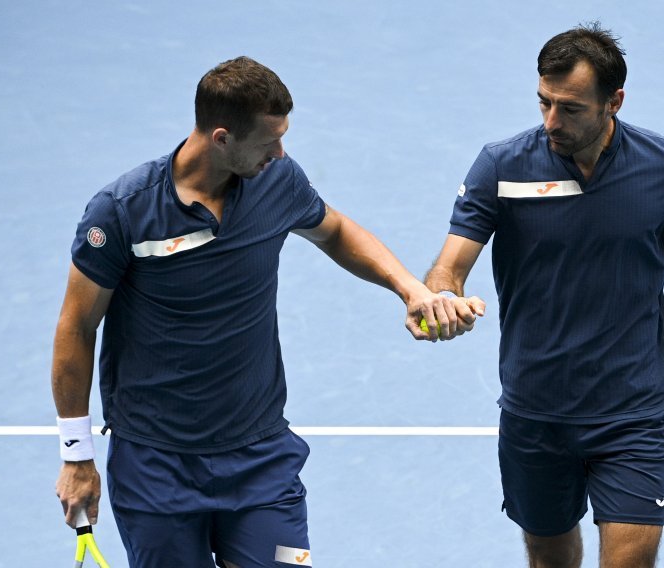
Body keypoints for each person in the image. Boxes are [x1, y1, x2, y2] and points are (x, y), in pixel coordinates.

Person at [52, 56, 476, 568]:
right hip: (156, 464)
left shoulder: (277, 181)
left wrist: (409, 288)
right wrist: (76, 454)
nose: (281, 153)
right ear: (222, 138)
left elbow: (335, 229)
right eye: (269, 141)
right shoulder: (123, 211)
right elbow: (77, 326)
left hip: (260, 455)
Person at [424, 23, 664, 568]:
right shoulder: (501, 167)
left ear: (613, 101)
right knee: (550, 561)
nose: (551, 121)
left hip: (629, 414)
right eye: (544, 103)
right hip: (534, 413)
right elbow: (448, 267)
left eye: (570, 108)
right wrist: (440, 299)